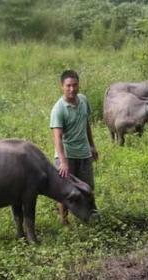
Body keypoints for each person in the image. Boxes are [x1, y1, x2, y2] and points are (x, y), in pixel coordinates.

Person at [50, 70, 98, 224]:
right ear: (62, 86)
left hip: (84, 154)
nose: (72, 89)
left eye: (75, 85)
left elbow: (86, 124)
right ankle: (64, 222)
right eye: (68, 86)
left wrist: (92, 146)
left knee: (88, 189)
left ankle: (91, 217)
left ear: (79, 85)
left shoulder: (83, 100)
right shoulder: (58, 109)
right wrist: (63, 162)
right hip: (66, 156)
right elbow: (57, 137)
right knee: (65, 192)